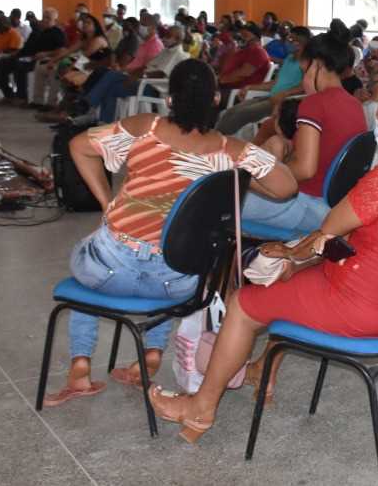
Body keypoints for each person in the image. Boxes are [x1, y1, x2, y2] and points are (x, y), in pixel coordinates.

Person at [146, 85, 378, 433]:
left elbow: (328, 229)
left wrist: (288, 251)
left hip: (362, 307)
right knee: (289, 281)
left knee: (243, 303)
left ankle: (200, 408)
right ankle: (260, 371)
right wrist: (294, 259)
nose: (377, 128)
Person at [42, 60, 297, 407]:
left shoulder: (145, 127)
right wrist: (241, 175)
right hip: (176, 285)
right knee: (177, 254)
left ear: (171, 100)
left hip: (108, 271)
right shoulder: (230, 150)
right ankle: (150, 354)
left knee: (88, 262)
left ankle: (81, 367)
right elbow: (286, 187)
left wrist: (107, 203)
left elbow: (79, 146)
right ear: (217, 100)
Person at [236, 26, 366, 235]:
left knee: (214, 199)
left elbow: (305, 170)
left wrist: (259, 177)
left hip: (304, 204)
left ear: (316, 66)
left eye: (304, 71)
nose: (303, 78)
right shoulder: (354, 104)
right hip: (335, 207)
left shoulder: (314, 103)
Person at [0, 7, 66, 105]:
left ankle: (22, 97)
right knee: (2, 64)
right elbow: (27, 48)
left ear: (54, 20)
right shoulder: (38, 31)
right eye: (44, 17)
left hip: (44, 59)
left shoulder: (58, 32)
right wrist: (14, 54)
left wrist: (46, 53)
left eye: (48, 18)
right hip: (28, 57)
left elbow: (62, 50)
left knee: (19, 66)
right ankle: (9, 95)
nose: (45, 20)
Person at [218, 24, 272, 100]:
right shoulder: (245, 50)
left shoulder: (258, 52)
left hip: (238, 92)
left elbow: (243, 74)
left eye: (245, 35)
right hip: (227, 86)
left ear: (256, 38)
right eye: (241, 35)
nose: (242, 38)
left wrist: (221, 81)